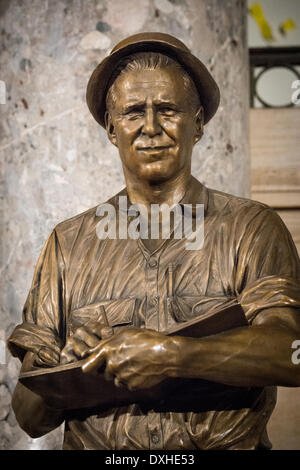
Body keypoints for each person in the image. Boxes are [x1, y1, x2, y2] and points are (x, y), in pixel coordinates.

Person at [8, 32, 300, 450]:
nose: (150, 127)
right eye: (132, 112)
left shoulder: (251, 228)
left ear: (197, 123)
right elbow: (28, 418)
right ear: (111, 128)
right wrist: (67, 373)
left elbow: (293, 352)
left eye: (167, 110)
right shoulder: (68, 245)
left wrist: (175, 355)